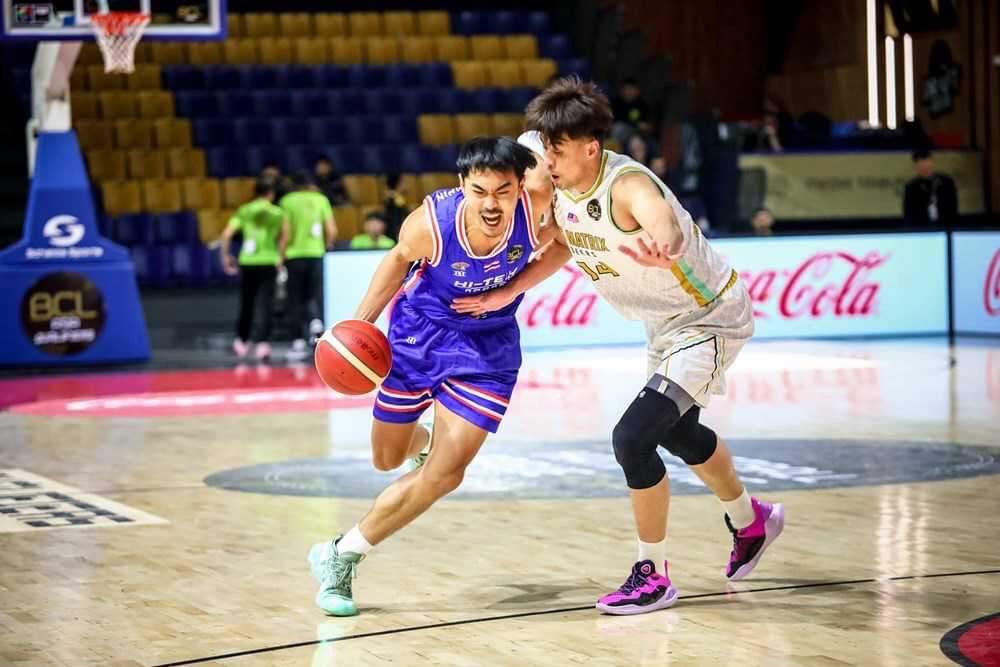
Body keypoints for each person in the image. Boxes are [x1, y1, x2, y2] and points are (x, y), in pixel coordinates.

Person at [454, 77, 785, 616]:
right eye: (545, 150)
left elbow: (663, 224)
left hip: (708, 318)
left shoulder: (627, 185)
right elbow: (564, 243)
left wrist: (664, 245)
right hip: (662, 325)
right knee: (678, 430)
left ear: (591, 147)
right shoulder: (556, 174)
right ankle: (753, 522)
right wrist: (508, 291)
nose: (547, 162)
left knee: (632, 438)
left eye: (557, 151)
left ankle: (652, 575)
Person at [307, 137, 558, 617]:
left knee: (445, 475)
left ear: (519, 186)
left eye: (502, 192)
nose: (491, 204)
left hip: (487, 349)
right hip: (418, 338)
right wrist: (357, 325)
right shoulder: (431, 225)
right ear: (463, 185)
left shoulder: (537, 205)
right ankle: (425, 441)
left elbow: (562, 245)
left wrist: (508, 293)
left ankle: (341, 554)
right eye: (479, 191)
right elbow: (397, 261)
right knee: (386, 459)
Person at [220, 178, 289, 361]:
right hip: (268, 261)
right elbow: (285, 237)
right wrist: (280, 258)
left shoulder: (244, 210)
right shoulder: (278, 212)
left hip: (248, 261)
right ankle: (263, 344)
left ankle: (241, 341)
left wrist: (225, 256)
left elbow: (226, 234)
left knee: (247, 303)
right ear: (271, 194)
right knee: (266, 304)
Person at [280, 170, 337, 360]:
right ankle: (316, 322)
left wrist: (281, 255)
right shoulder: (321, 199)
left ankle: (297, 341)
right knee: (314, 294)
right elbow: (332, 230)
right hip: (316, 254)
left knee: (295, 298)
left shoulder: (287, 201)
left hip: (294, 255)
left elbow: (286, 232)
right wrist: (326, 245)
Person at [903, 147, 958, 227]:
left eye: (927, 161)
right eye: (921, 163)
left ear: (932, 162)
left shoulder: (946, 182)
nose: (925, 166)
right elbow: (908, 214)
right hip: (922, 229)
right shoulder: (911, 187)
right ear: (915, 165)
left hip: (945, 226)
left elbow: (953, 208)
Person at [382, 172, 410, 241]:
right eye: (404, 182)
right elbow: (395, 220)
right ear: (398, 183)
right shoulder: (393, 199)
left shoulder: (397, 198)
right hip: (394, 236)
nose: (407, 184)